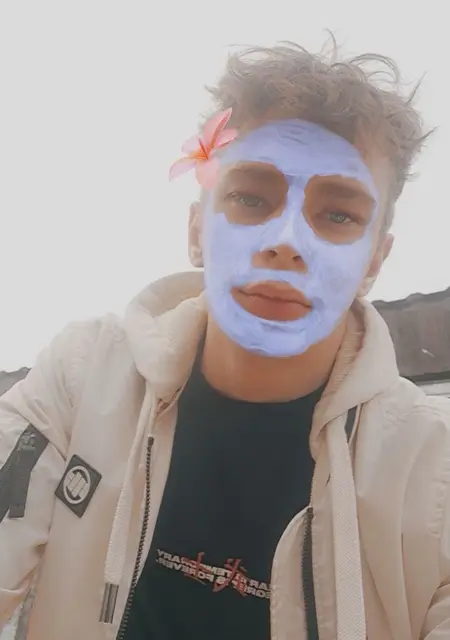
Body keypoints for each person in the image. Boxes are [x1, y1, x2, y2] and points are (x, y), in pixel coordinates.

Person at [0, 41, 448, 640]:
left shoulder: (434, 470)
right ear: (196, 230)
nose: (285, 241)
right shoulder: (84, 378)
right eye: (251, 198)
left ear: (375, 261)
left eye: (338, 215)